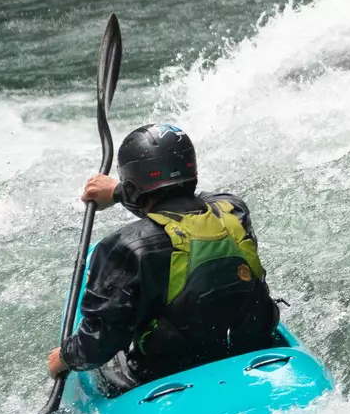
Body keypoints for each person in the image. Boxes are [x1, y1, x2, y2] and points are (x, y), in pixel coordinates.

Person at [43, 122, 282, 395]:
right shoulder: (234, 211)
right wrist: (122, 192)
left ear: (133, 187)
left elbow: (97, 345)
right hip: (248, 348)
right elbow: (201, 198)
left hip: (170, 374)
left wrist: (65, 357)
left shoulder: (124, 247)